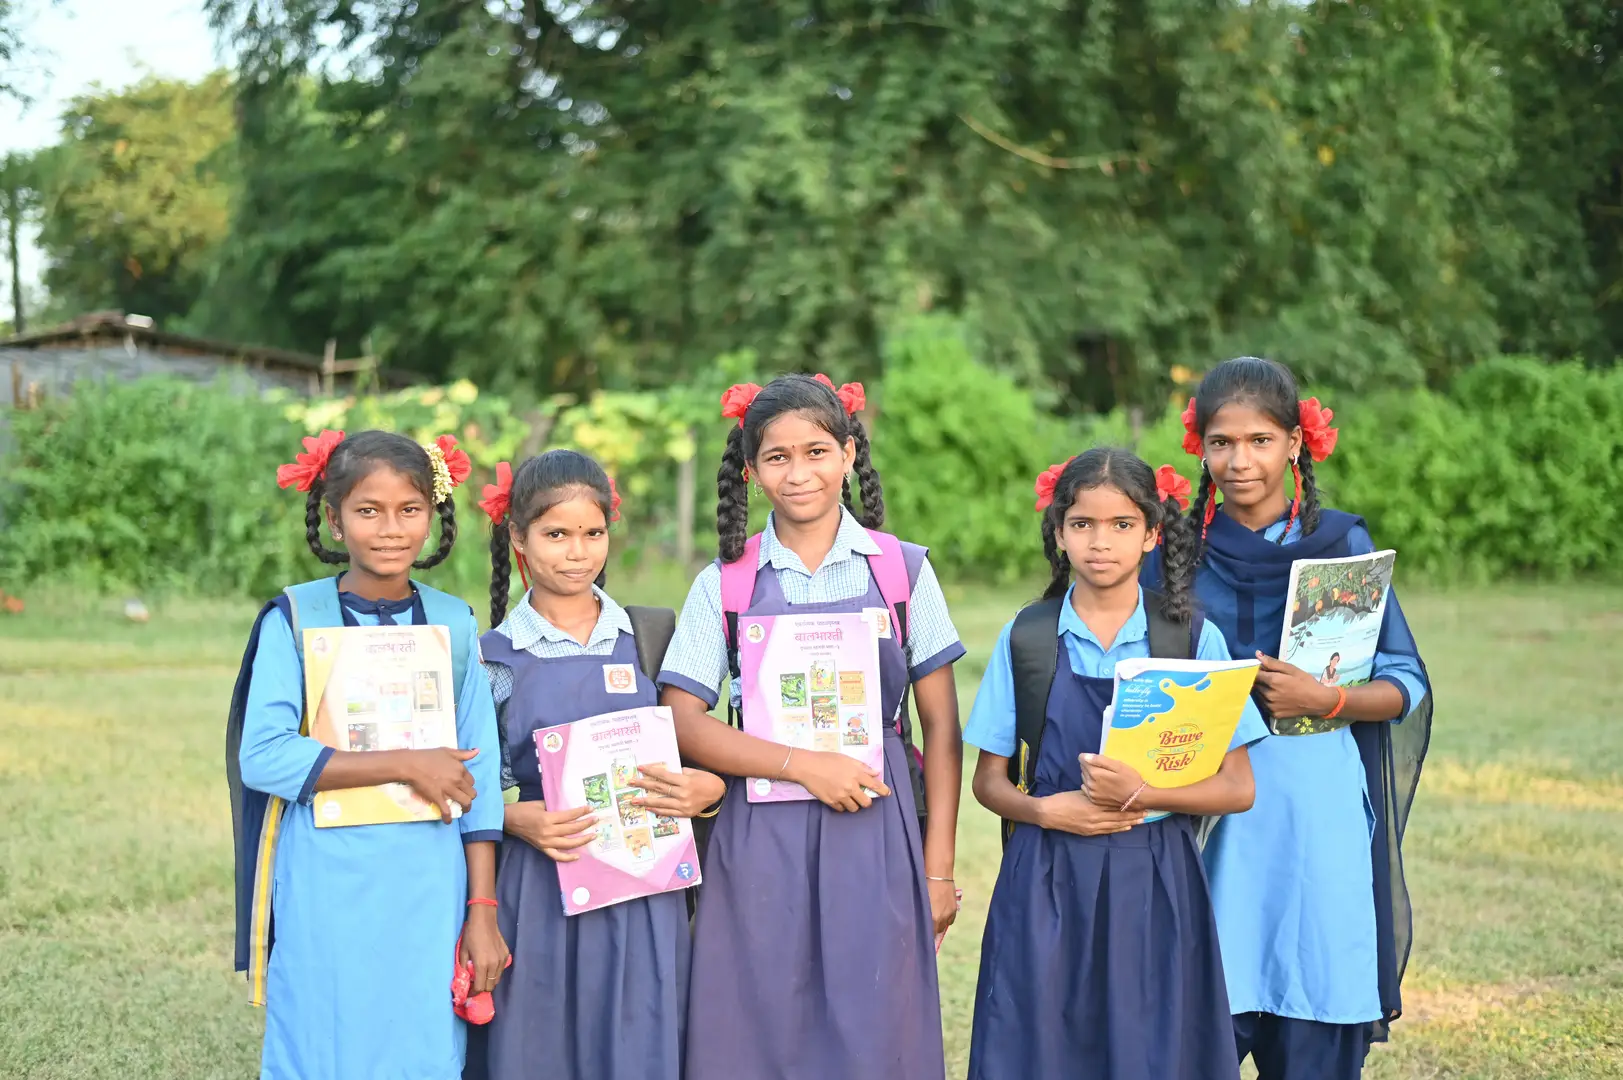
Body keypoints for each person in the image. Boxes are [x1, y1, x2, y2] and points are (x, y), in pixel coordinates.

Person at [657, 374, 966, 1080]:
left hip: (876, 825)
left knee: (875, 1022)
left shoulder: (902, 573)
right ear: (750, 469)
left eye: (817, 452)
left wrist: (938, 869)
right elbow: (680, 717)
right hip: (759, 832)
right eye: (777, 457)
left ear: (849, 454)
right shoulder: (725, 582)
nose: (798, 473)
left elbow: (941, 729)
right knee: (757, 1019)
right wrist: (803, 765)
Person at [1153, 356, 1433, 1080]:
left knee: (1314, 1007)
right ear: (1200, 447)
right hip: (1209, 814)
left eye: (1260, 441)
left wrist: (1327, 699)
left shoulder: (1342, 548)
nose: (1239, 461)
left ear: (1294, 443)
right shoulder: (1174, 556)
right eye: (1221, 442)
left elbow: (1406, 682)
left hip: (1315, 817)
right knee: (1196, 1017)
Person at [964, 449, 1267, 1080]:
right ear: (1059, 532)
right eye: (1082, 524)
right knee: (1042, 1045)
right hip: (1045, 876)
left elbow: (1238, 788)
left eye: (1122, 525)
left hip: (1155, 876)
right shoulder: (1028, 638)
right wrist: (1045, 811)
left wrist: (1146, 792)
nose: (1100, 542)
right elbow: (988, 782)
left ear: (1152, 534)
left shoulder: (1192, 640)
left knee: (1147, 1045)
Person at [225, 429, 508, 1080]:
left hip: (429, 881)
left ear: (432, 515)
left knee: (422, 1042)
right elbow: (262, 756)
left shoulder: (453, 625)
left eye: (409, 509)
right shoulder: (295, 619)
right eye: (368, 510)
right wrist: (407, 763)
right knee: (324, 1035)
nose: (390, 529)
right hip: (326, 875)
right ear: (334, 518)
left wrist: (482, 911)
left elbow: (481, 779)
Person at [466, 450, 725, 1080]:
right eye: (556, 535)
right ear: (518, 538)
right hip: (539, 889)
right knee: (540, 1047)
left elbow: (703, 749)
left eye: (593, 533)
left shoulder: (652, 638)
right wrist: (515, 819)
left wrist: (709, 789)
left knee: (640, 1044)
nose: (577, 553)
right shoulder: (490, 657)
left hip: (645, 892)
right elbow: (466, 787)